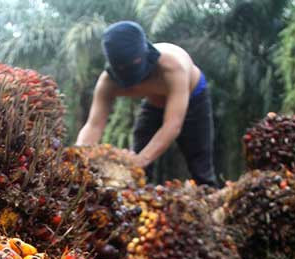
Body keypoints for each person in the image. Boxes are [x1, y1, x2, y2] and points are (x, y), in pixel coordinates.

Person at [75, 21, 219, 187]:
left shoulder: (172, 68)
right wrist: (79, 156)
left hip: (194, 98)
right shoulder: (108, 81)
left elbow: (172, 125)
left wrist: (138, 162)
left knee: (200, 165)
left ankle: (210, 193)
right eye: (121, 68)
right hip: (154, 102)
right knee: (139, 164)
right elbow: (94, 125)